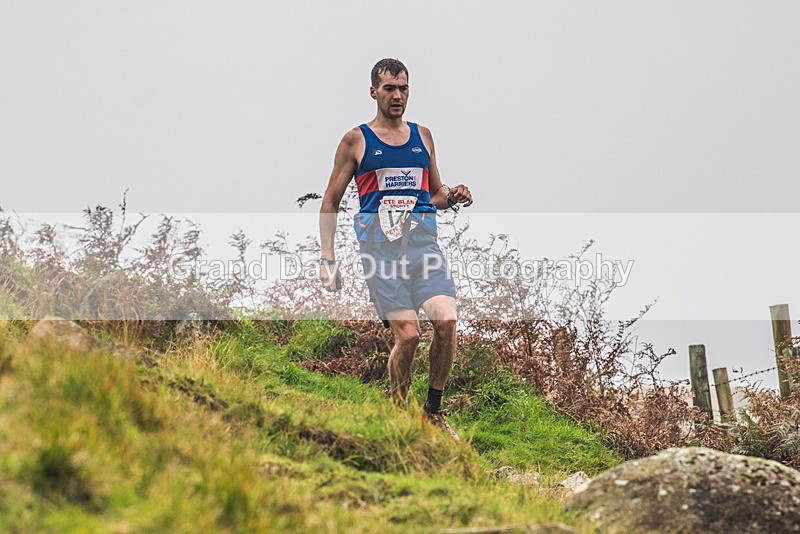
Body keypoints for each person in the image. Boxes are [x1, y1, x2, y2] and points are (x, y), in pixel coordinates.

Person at [319, 58, 473, 441]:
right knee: (407, 336)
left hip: (423, 245)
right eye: (389, 88)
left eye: (403, 88)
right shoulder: (356, 141)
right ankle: (397, 413)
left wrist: (452, 195)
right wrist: (328, 259)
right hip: (381, 251)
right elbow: (330, 202)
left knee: (448, 321)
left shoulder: (423, 136)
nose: (397, 96)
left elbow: (433, 195)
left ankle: (433, 411)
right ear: (374, 92)